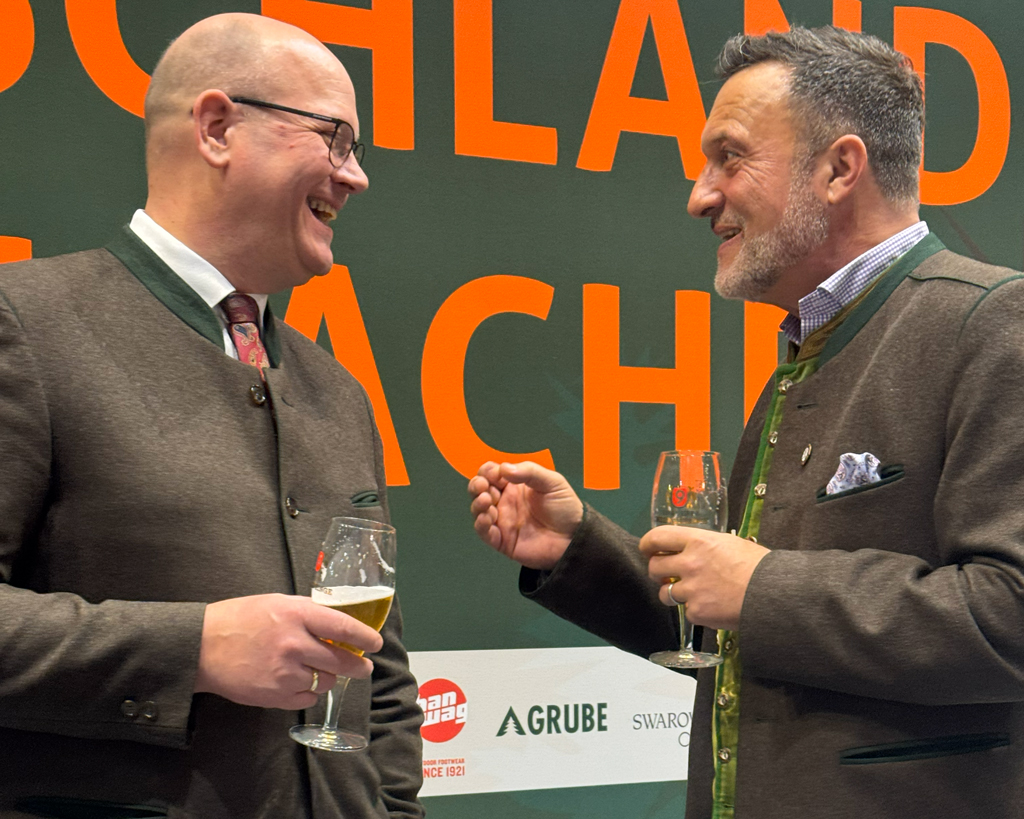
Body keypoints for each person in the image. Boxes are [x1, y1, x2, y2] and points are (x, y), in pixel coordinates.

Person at [469, 26, 1024, 819]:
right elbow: (736, 628)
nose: (699, 195)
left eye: (729, 157)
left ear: (840, 168)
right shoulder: (808, 351)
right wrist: (580, 548)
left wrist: (763, 585)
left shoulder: (994, 323)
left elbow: (1008, 613)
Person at [0, 13, 422, 819]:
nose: (356, 176)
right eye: (336, 139)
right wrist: (192, 647)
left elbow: (385, 677)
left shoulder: (338, 389)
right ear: (219, 127)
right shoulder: (26, 321)